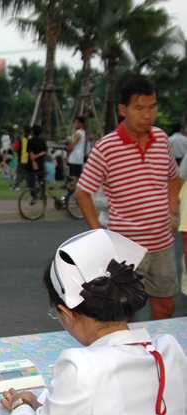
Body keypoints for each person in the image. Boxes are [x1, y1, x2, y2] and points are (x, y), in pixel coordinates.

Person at [1, 229, 186, 415]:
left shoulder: (81, 368)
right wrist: (40, 408)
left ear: (66, 313)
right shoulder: (168, 351)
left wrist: (19, 407)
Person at [74, 76, 182, 320]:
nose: (147, 115)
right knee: (124, 312)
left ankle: (155, 355)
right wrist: (98, 235)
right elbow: (82, 192)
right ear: (123, 110)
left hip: (162, 244)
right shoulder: (106, 147)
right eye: (139, 108)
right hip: (126, 248)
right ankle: (127, 356)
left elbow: (173, 179)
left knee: (165, 307)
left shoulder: (162, 140)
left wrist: (173, 210)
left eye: (152, 107)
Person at [26, 125, 47, 198]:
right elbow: (44, 152)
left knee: (31, 180)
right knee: (41, 179)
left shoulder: (30, 141)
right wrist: (38, 155)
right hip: (41, 163)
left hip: (32, 164)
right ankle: (43, 194)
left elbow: (30, 152)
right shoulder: (43, 141)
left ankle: (34, 196)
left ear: (33, 132)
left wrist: (34, 159)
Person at [66, 116, 87, 184]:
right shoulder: (83, 132)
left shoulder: (77, 133)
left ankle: (73, 187)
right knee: (78, 175)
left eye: (76, 122)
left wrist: (68, 153)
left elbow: (73, 145)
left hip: (75, 156)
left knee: (75, 176)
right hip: (79, 156)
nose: (75, 124)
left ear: (80, 123)